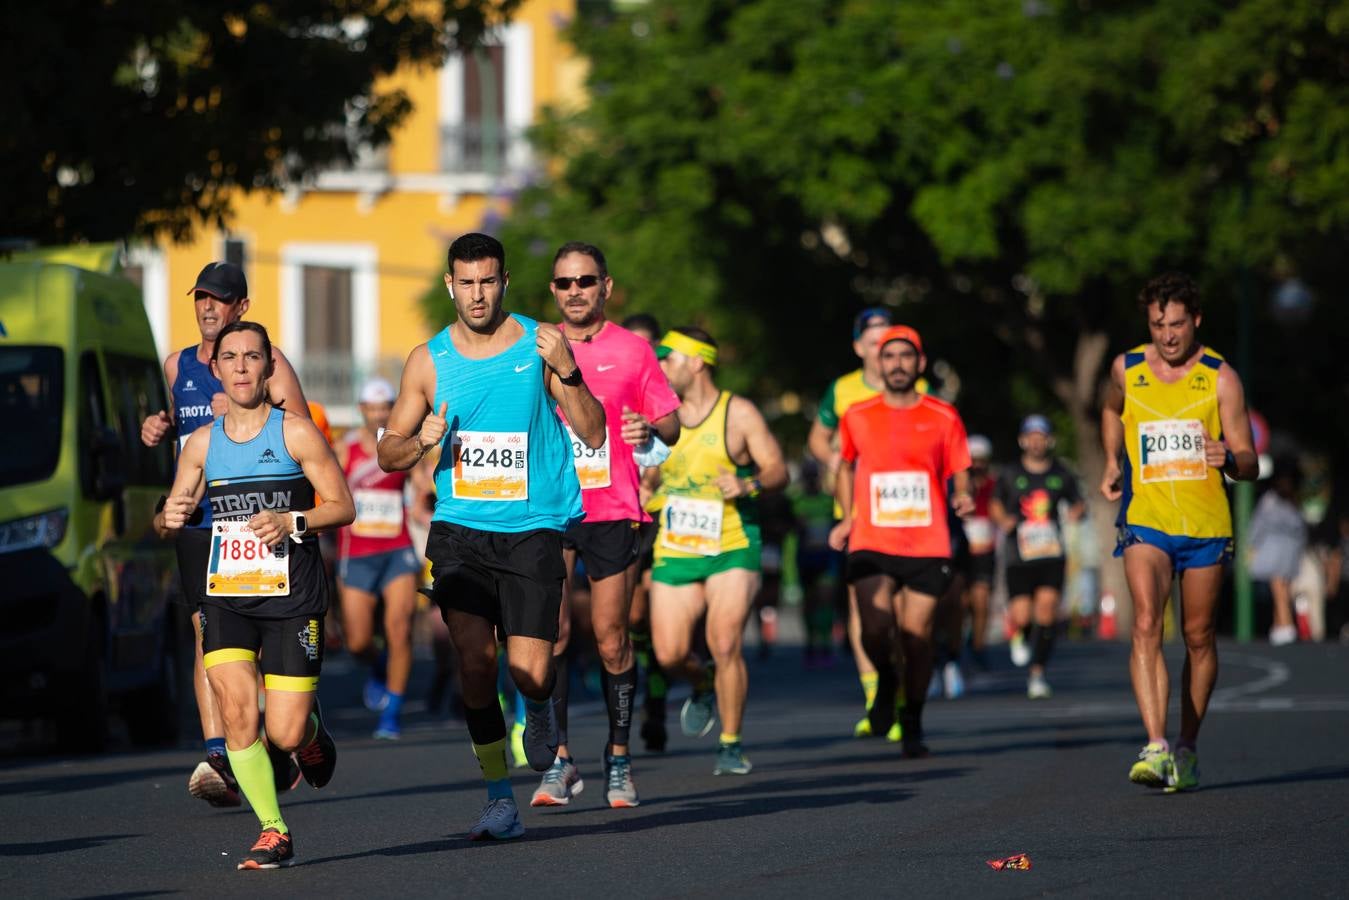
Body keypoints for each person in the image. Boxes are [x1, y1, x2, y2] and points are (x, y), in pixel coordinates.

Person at [377, 232, 604, 841]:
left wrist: (570, 370)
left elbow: (595, 432)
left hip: (531, 529)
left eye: (488, 281)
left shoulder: (540, 343)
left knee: (530, 671)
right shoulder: (428, 359)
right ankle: (499, 797)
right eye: (466, 283)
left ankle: (537, 711)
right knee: (474, 667)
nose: (477, 294)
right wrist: (419, 441)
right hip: (460, 533)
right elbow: (389, 452)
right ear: (451, 285)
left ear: (504, 283)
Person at [161, 321, 352, 869]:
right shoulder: (201, 443)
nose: (241, 366)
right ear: (215, 369)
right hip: (226, 596)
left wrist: (292, 519)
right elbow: (173, 510)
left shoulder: (296, 432)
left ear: (269, 368)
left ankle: (310, 733)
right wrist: (168, 515)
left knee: (283, 730)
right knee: (236, 710)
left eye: (252, 357)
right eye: (231, 358)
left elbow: (342, 506)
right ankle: (273, 829)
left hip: (293, 596)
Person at [140, 261, 310, 809]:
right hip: (200, 521)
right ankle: (219, 752)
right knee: (205, 634)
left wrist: (248, 405)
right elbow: (178, 422)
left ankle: (291, 722)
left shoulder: (264, 363)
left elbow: (300, 430)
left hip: (257, 523)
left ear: (242, 307)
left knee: (261, 644)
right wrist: (159, 425)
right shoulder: (178, 364)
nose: (207, 308)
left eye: (220, 299)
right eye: (200, 299)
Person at [531, 242, 680, 809]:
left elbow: (671, 429)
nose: (575, 291)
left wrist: (647, 428)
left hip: (613, 507)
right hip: (550, 508)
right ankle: (561, 762)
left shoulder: (635, 350)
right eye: (565, 283)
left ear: (605, 287)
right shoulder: (536, 345)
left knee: (612, 638)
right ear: (553, 290)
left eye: (585, 281)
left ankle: (618, 757)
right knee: (556, 634)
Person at [1101, 272, 1257, 792]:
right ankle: (1156, 744)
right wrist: (1110, 460)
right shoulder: (1126, 369)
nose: (1167, 336)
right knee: (1146, 620)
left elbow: (1251, 460)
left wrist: (1229, 458)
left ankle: (1186, 745)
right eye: (1157, 325)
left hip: (1205, 525)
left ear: (1195, 320)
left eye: (1176, 325)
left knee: (1197, 636)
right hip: (1147, 520)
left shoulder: (1220, 378)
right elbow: (1108, 408)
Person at [828, 325, 973, 758]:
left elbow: (960, 463)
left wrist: (963, 495)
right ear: (878, 363)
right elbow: (844, 467)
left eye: (905, 357)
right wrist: (847, 516)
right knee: (874, 627)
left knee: (916, 636)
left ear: (920, 364)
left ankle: (912, 719)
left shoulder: (943, 414)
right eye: (888, 357)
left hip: (927, 542)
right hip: (871, 537)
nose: (896, 365)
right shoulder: (857, 414)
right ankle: (887, 680)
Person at [648, 326, 788, 776]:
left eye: (669, 358)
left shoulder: (738, 413)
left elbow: (778, 470)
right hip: (676, 547)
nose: (662, 366)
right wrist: (645, 488)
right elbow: (647, 476)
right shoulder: (656, 416)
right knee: (668, 654)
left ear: (697, 361)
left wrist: (748, 482)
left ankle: (730, 742)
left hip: (731, 544)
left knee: (724, 639)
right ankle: (701, 680)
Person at [806, 307, 897, 738]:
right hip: (856, 511)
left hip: (907, 512)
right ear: (859, 346)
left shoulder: (918, 387)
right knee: (866, 605)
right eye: (874, 340)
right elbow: (817, 438)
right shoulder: (842, 390)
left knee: (903, 607)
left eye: (889, 338)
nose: (882, 348)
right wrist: (837, 462)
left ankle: (900, 687)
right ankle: (875, 693)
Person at [337, 377, 433, 738]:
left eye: (384, 408)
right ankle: (378, 666)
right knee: (358, 641)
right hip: (357, 554)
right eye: (372, 408)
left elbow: (421, 481)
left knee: (400, 628)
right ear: (361, 409)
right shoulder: (345, 450)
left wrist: (425, 496)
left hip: (396, 551)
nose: (378, 414)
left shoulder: (400, 446)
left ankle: (391, 713)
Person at [989, 414, 1085, 699]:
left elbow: (1077, 501)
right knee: (1022, 614)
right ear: (1022, 440)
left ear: (1049, 440)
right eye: (1030, 435)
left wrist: (1076, 512)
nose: (1035, 441)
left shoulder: (1061, 472)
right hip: (1019, 555)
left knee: (1047, 609)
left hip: (1051, 554)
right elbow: (995, 503)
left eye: (1041, 435)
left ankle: (1037, 673)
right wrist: (1002, 519)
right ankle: (1019, 632)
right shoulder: (1010, 473)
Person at [620, 311, 673, 753]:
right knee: (636, 617)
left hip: (667, 521)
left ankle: (656, 703)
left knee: (664, 620)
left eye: (648, 346)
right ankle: (650, 698)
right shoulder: (612, 387)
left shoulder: (665, 395)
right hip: (628, 518)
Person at [1248, 457, 1307, 646]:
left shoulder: (1276, 501)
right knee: (1280, 588)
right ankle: (1280, 625)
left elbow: (1257, 526)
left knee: (1281, 589)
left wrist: (1252, 546)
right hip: (1281, 551)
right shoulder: (1287, 502)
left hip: (1279, 552)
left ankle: (1286, 625)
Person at [960, 435, 997, 669]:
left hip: (985, 550)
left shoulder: (993, 485)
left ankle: (979, 645)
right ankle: (956, 640)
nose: (977, 465)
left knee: (981, 600)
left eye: (981, 460)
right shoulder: (959, 484)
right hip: (962, 551)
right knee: (962, 602)